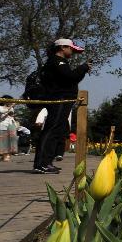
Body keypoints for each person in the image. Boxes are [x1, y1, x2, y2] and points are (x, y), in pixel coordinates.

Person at [33, 38, 90, 174]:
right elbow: (69, 76)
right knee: (52, 129)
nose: (72, 52)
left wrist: (83, 70)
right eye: (71, 49)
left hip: (63, 100)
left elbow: (72, 79)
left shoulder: (60, 62)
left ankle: (46, 162)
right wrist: (83, 67)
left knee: (56, 130)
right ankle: (42, 163)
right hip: (59, 99)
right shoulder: (56, 61)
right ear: (63, 48)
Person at [0, 96, 18, 162]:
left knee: (10, 140)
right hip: (1, 125)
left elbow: (11, 116)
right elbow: (3, 112)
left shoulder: (11, 108)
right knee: (0, 141)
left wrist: (15, 124)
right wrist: (11, 106)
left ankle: (7, 155)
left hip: (10, 125)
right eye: (10, 101)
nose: (11, 102)